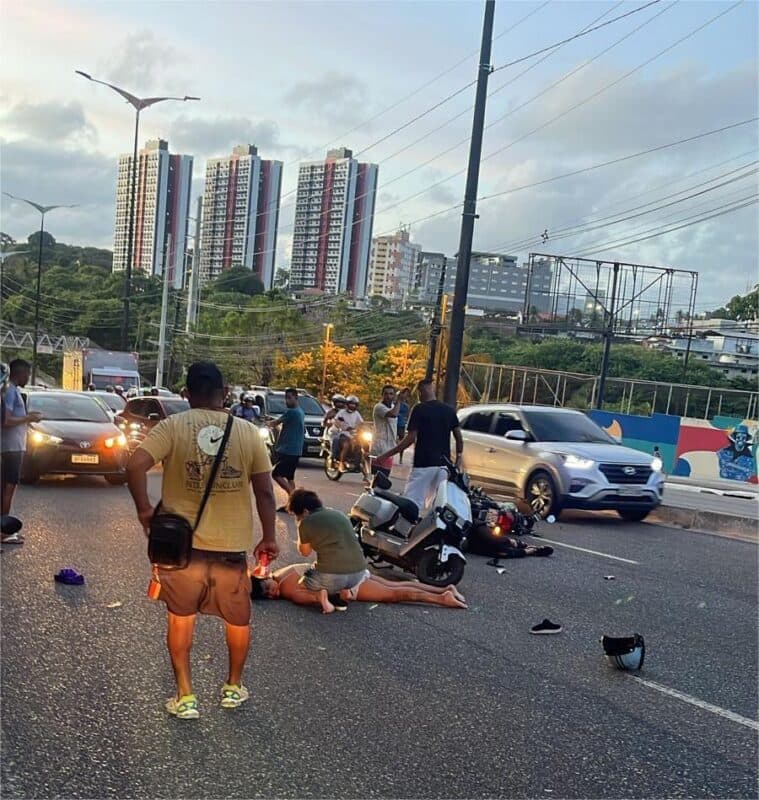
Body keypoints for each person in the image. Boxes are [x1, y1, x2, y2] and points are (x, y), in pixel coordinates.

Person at [126, 361, 278, 720]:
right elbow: (266, 493)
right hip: (230, 551)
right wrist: (269, 537)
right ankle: (232, 688)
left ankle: (185, 697)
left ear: (187, 394)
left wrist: (144, 510)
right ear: (224, 393)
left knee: (181, 619)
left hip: (181, 551)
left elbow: (134, 466)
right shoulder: (247, 432)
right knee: (237, 621)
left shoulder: (172, 427)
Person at [377, 378, 463, 514]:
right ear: (432, 389)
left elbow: (410, 439)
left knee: (411, 503)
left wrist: (386, 455)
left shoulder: (419, 409)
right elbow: (459, 437)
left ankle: (405, 532)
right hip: (443, 466)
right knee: (438, 507)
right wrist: (458, 459)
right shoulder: (449, 410)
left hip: (423, 464)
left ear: (421, 392)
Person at [286, 488, 370, 614]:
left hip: (332, 576)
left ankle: (324, 601)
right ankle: (346, 591)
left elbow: (304, 552)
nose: (298, 518)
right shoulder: (339, 514)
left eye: (297, 515)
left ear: (305, 511)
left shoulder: (306, 522)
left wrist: (300, 527)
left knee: (303, 584)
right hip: (359, 573)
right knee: (334, 569)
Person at [252, 563, 467, 609]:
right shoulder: (282, 571)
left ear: (264, 579)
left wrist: (332, 602)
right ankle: (445, 589)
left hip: (347, 583)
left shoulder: (289, 589)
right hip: (351, 570)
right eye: (269, 596)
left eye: (268, 588)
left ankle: (441, 598)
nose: (273, 593)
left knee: (394, 594)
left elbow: (317, 597)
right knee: (395, 585)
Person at [1, 359, 42, 544]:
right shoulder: (10, 391)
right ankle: (4, 531)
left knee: (6, 488)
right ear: (21, 373)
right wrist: (28, 417)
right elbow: (6, 420)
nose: (27, 378)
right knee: (9, 488)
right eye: (27, 374)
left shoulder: (11, 390)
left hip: (12, 447)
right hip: (11, 448)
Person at [269, 387, 305, 511]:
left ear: (296, 398)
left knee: (276, 474)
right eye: (286, 398)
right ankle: (292, 504)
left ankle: (294, 498)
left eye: (290, 398)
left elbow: (275, 423)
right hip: (295, 450)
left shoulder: (292, 412)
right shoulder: (300, 411)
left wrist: (267, 423)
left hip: (289, 450)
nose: (287, 401)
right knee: (290, 477)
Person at [371, 384, 400, 477]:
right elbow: (393, 414)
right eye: (386, 394)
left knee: (384, 478)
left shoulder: (393, 406)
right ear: (382, 395)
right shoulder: (379, 407)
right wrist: (399, 401)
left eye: (391, 394)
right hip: (380, 447)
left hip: (390, 447)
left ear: (394, 395)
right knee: (378, 478)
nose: (388, 396)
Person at [334, 395, 363, 467]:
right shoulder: (342, 412)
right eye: (351, 403)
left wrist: (364, 428)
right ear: (347, 404)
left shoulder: (356, 413)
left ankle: (357, 463)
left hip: (353, 434)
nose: (352, 405)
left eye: (354, 404)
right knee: (346, 445)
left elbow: (361, 423)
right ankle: (341, 463)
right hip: (343, 433)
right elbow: (336, 421)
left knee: (360, 444)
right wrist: (343, 426)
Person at [396, 388, 411, 464]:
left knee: (401, 440)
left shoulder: (406, 405)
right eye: (405, 393)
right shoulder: (396, 402)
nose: (405, 396)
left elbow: (407, 415)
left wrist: (406, 421)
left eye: (407, 394)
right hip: (394, 423)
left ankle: (401, 458)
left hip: (401, 424)